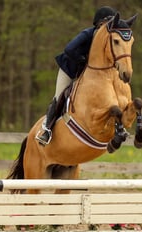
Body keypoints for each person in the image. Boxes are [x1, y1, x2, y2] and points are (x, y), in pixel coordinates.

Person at [37, 6, 117, 146]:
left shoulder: (107, 40)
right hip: (70, 69)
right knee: (59, 96)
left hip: (86, 75)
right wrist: (83, 60)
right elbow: (68, 49)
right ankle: (46, 130)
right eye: (108, 24)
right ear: (99, 23)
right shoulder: (87, 34)